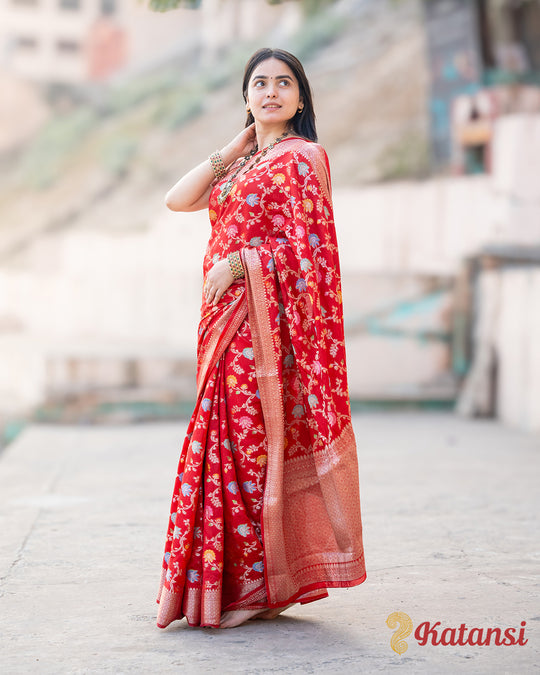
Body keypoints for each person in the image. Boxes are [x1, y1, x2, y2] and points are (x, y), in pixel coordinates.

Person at [155, 47, 366, 630]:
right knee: (220, 444)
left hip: (263, 327)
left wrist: (243, 263)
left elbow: (312, 252)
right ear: (246, 97)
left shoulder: (303, 158)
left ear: (301, 98)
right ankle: (229, 583)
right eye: (259, 83)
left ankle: (253, 583)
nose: (271, 92)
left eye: (283, 83)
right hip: (222, 324)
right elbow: (179, 199)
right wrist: (237, 146)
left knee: (247, 450)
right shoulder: (248, 162)